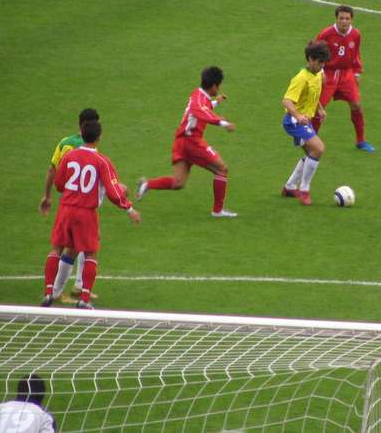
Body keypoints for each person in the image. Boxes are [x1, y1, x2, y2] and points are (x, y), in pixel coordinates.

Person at [42, 120, 141, 309]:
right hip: (86, 212)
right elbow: (114, 192)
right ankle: (84, 299)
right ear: (99, 138)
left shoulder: (69, 156)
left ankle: (48, 294)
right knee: (91, 254)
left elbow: (59, 184)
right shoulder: (102, 161)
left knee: (56, 249)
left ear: (82, 134)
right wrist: (129, 209)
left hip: (65, 209)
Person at [135, 66, 237, 217]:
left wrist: (216, 102)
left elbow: (203, 107)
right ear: (214, 86)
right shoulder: (199, 102)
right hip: (192, 142)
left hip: (181, 142)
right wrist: (223, 123)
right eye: (219, 85)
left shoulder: (198, 94)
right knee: (222, 169)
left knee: (178, 183)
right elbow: (201, 111)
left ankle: (147, 184)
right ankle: (218, 211)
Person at [40, 108, 101, 304]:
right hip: (83, 204)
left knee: (68, 247)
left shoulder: (64, 143)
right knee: (88, 245)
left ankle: (57, 291)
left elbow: (52, 171)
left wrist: (47, 196)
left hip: (66, 203)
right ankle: (74, 289)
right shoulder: (89, 148)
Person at [313, 5, 375, 152]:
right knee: (318, 108)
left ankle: (361, 141)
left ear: (351, 20)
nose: (344, 21)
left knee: (357, 105)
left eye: (347, 19)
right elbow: (314, 52)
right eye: (341, 18)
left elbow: (356, 54)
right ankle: (310, 139)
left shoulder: (356, 34)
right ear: (336, 19)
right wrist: (319, 71)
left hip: (346, 74)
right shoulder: (326, 33)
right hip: (328, 74)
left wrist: (357, 72)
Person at [281, 41, 330, 206]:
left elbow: (312, 96)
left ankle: (289, 187)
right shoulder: (301, 78)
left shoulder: (317, 75)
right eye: (320, 62)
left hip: (305, 121)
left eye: (323, 63)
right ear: (310, 59)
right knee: (319, 148)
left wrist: (320, 109)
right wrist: (298, 115)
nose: (322, 66)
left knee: (311, 153)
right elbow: (286, 101)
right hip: (294, 122)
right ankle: (304, 190)